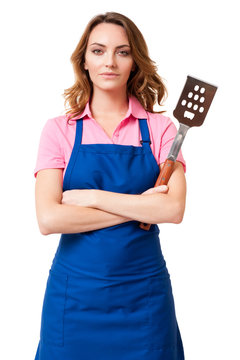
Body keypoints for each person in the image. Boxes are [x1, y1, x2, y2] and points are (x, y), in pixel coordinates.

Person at [33, 11, 186, 360]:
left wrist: (92, 198)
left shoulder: (162, 130)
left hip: (143, 298)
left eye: (123, 51)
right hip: (74, 300)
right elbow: (49, 219)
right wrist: (137, 207)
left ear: (135, 62)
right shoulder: (60, 129)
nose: (110, 62)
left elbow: (173, 209)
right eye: (98, 51)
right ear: (83, 61)